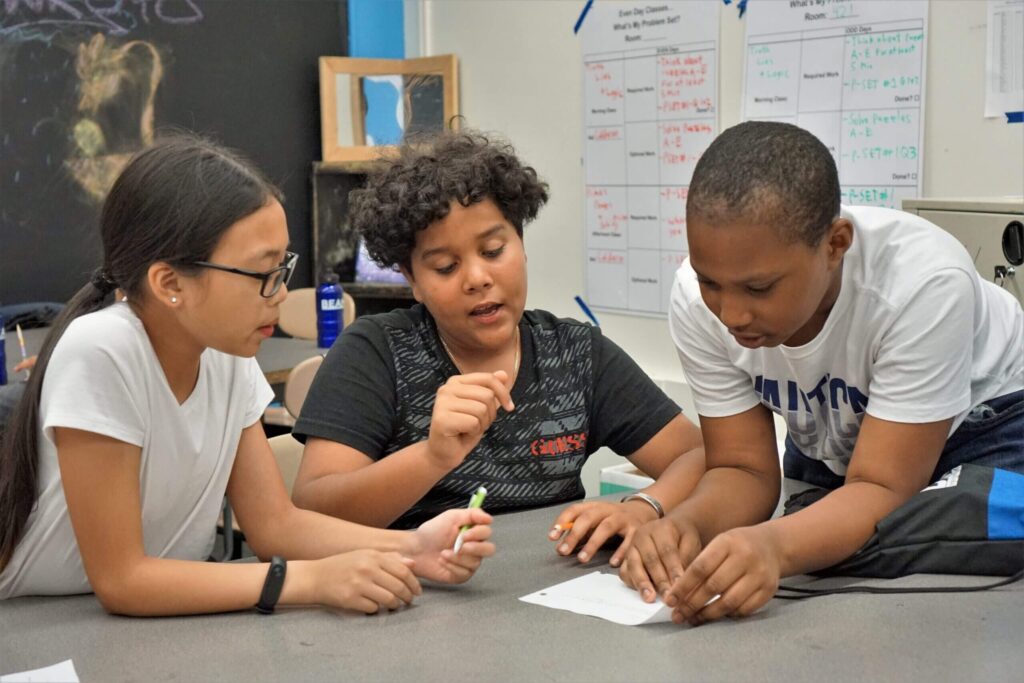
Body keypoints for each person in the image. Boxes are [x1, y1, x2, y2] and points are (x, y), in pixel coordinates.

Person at [0, 135, 495, 615]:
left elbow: (274, 525)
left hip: (153, 624)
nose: (280, 293)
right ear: (170, 283)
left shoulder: (225, 353)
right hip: (45, 623)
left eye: (283, 267)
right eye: (263, 274)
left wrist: (413, 547)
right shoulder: (103, 348)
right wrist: (312, 580)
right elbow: (122, 580)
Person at [619, 120, 1024, 625]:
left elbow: (884, 487)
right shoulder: (694, 299)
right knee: (821, 558)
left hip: (987, 427)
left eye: (759, 289)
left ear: (835, 244)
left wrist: (775, 546)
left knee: (927, 567)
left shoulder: (924, 283)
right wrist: (687, 525)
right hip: (847, 441)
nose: (730, 315)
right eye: (710, 283)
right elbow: (743, 470)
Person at [290, 131, 706, 568]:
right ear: (412, 280)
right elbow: (310, 515)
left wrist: (644, 507)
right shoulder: (376, 353)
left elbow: (697, 455)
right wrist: (431, 457)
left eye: (492, 251)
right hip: (415, 590)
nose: (477, 278)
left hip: (552, 588)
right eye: (445, 267)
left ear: (521, 246)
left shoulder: (576, 354)